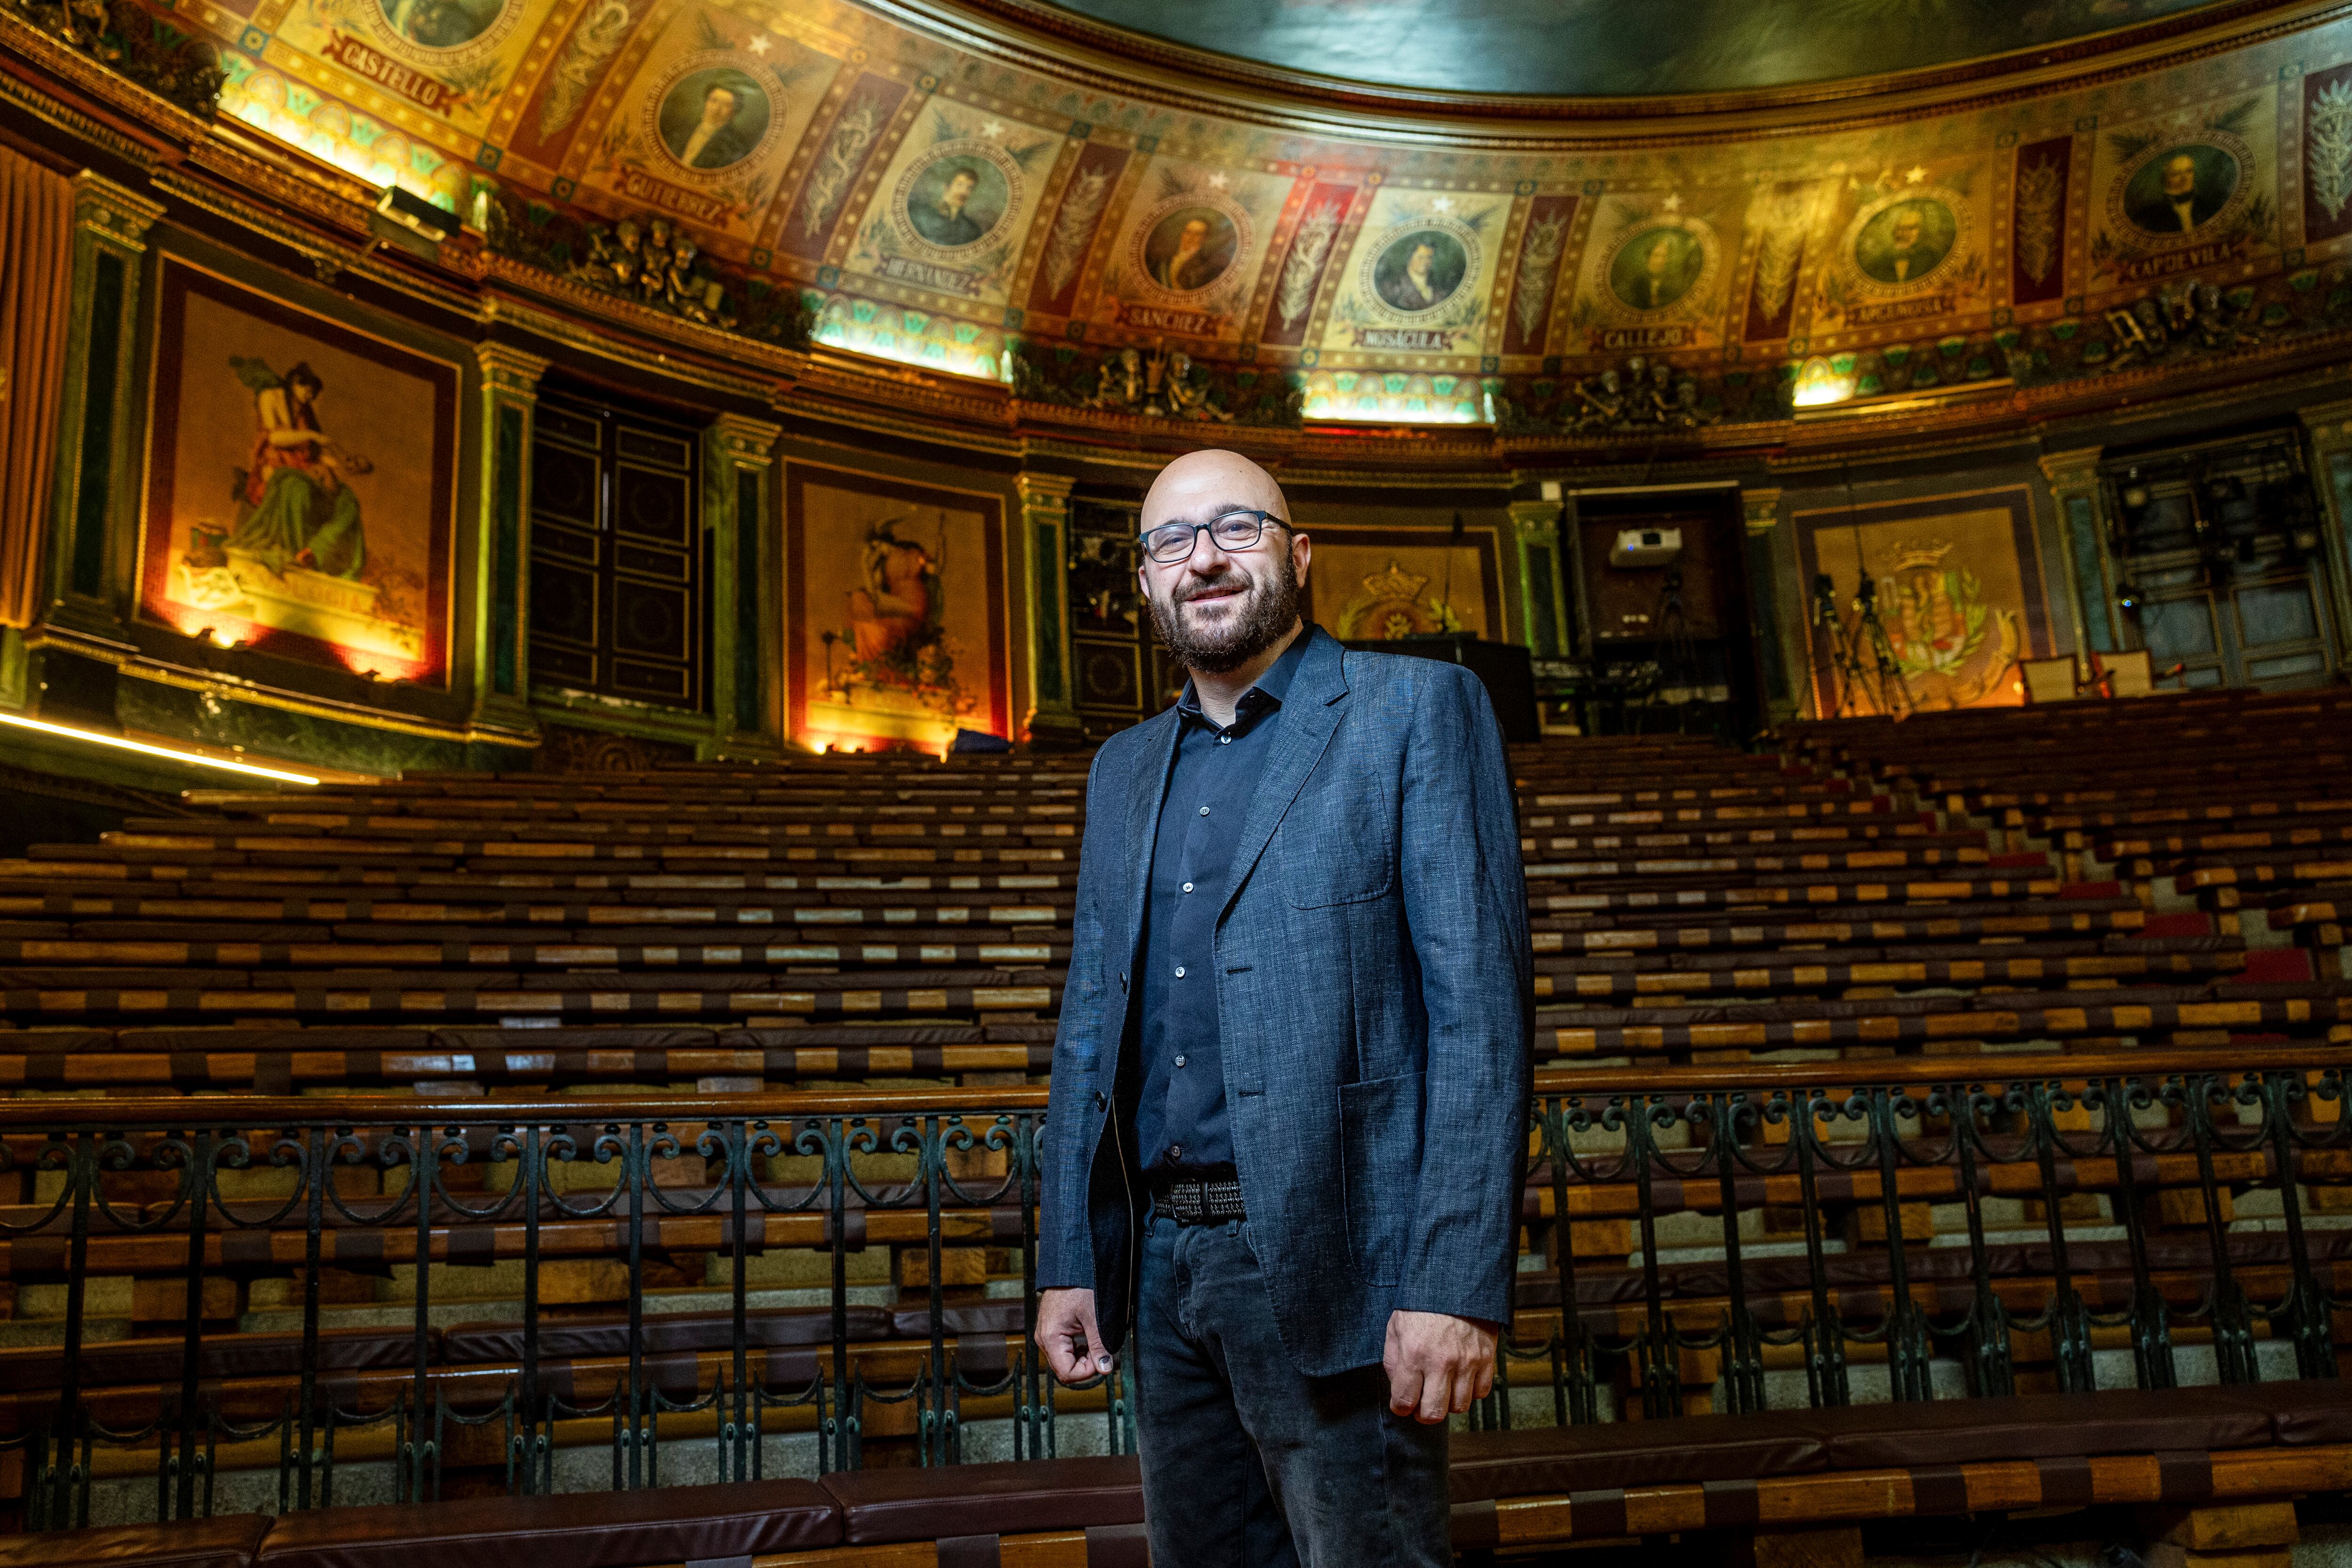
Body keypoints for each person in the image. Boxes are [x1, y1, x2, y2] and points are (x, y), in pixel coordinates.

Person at [1034, 448, 1532, 1568]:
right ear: (1148, 582)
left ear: (1299, 555)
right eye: (1171, 541)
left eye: (1236, 530)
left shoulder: (1417, 711)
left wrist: (1456, 1282)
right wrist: (1072, 1251)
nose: (1202, 559)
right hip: (1162, 1268)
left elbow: (1479, 1020)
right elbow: (1088, 1026)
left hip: (1337, 1259)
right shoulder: (1119, 769)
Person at [227, 360, 370, 579]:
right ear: (295, 383)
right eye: (307, 390)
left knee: (348, 499)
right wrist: (312, 435)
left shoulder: (306, 413)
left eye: (312, 393)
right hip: (275, 466)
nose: (309, 396)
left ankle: (318, 550)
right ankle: (296, 551)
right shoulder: (271, 397)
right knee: (296, 488)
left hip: (303, 467)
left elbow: (312, 454)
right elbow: (275, 438)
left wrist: (344, 466)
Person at [2127, 150, 2229, 236]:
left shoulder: (2211, 208)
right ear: (2165, 178)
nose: (2185, 178)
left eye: (2189, 171)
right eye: (2176, 174)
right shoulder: (2151, 216)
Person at [667, 81, 753, 170]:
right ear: (706, 102)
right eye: (713, 101)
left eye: (726, 105)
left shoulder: (737, 148)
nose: (716, 109)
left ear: (734, 113)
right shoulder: (681, 130)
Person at [911, 164, 987, 247]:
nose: (964, 192)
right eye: (960, 185)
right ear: (946, 187)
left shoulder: (973, 230)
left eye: (969, 188)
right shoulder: (921, 217)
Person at [1152, 215, 1223, 292]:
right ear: (1183, 234)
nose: (1191, 238)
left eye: (1197, 234)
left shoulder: (1208, 261)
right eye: (1188, 232)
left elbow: (1195, 284)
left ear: (1205, 239)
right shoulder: (1166, 260)